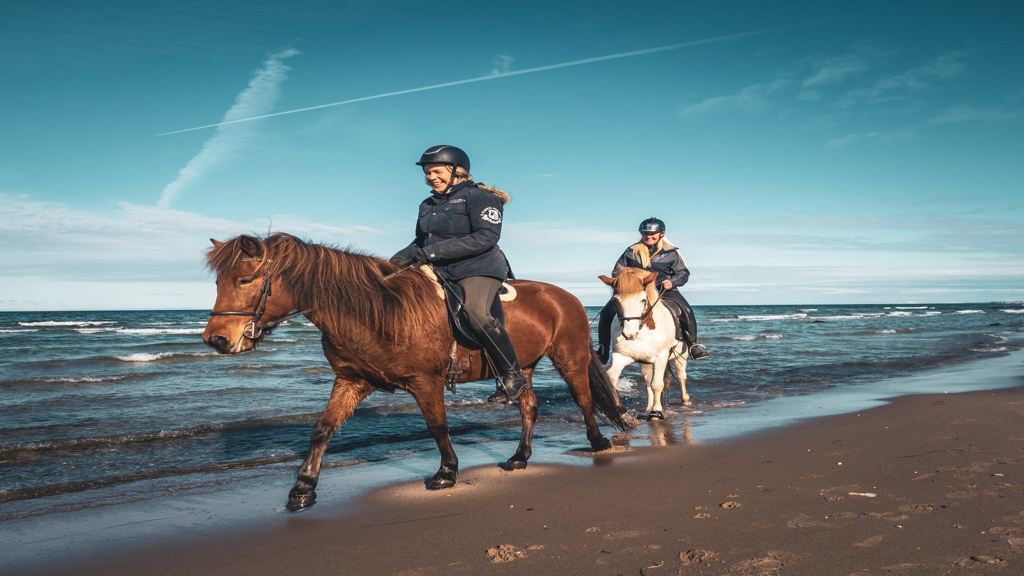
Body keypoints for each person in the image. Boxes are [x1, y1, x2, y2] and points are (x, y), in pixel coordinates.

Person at [391, 145, 529, 404]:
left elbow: (486, 237)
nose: (430, 177)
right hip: (439, 268)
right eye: (428, 173)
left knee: (476, 314)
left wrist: (430, 253)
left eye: (436, 171)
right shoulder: (427, 204)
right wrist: (395, 262)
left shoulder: (481, 197)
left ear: (456, 171)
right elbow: (421, 241)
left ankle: (514, 377)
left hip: (478, 267)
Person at [597, 217, 709, 363]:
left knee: (686, 310)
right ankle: (603, 350)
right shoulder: (631, 251)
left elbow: (683, 273)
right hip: (635, 292)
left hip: (663, 289)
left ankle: (692, 345)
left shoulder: (671, 252)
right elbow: (616, 272)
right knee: (606, 313)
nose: (648, 237)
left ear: (661, 234)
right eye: (645, 234)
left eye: (652, 234)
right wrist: (629, 282)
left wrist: (672, 282)